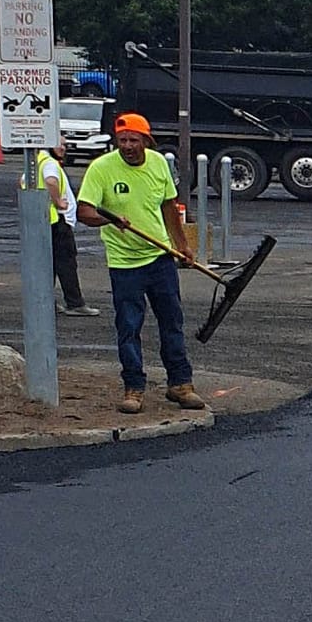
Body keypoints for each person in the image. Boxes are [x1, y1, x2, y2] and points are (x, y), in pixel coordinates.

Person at [76, 111, 204, 410]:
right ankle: (133, 388)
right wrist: (107, 221)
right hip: (124, 264)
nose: (127, 146)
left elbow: (169, 207)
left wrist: (182, 245)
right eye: (122, 140)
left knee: (172, 322)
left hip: (159, 258)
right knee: (129, 326)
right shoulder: (101, 169)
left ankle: (180, 384)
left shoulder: (159, 164)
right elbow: (84, 212)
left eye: (133, 140)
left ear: (147, 140)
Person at [38, 143, 89, 312]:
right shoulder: (50, 163)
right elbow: (51, 181)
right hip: (57, 221)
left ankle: (46, 302)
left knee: (48, 264)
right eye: (60, 144)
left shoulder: (36, 162)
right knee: (66, 263)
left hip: (44, 221)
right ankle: (75, 303)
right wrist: (59, 202)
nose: (64, 148)